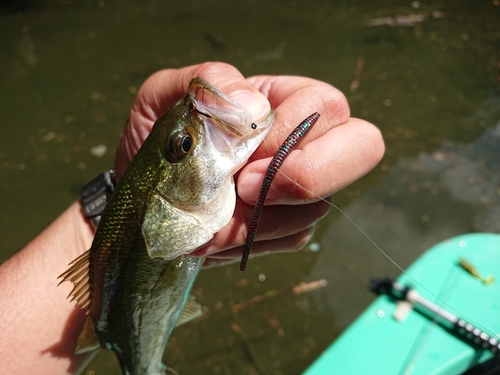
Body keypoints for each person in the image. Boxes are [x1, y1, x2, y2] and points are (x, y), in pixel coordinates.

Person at [0, 62, 384, 374]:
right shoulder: (155, 228)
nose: (197, 112)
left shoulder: (155, 228)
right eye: (183, 144)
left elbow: (136, 233)